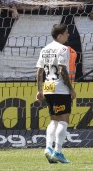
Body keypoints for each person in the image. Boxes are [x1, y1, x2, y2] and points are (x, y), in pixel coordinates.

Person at [36, 23, 76, 163]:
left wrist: (39, 90)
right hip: (60, 89)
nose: (68, 35)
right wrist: (71, 89)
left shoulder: (45, 49)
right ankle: (58, 151)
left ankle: (48, 148)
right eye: (66, 33)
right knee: (63, 122)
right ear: (60, 36)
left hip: (48, 88)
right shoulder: (63, 49)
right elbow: (62, 70)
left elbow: (39, 71)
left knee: (54, 120)